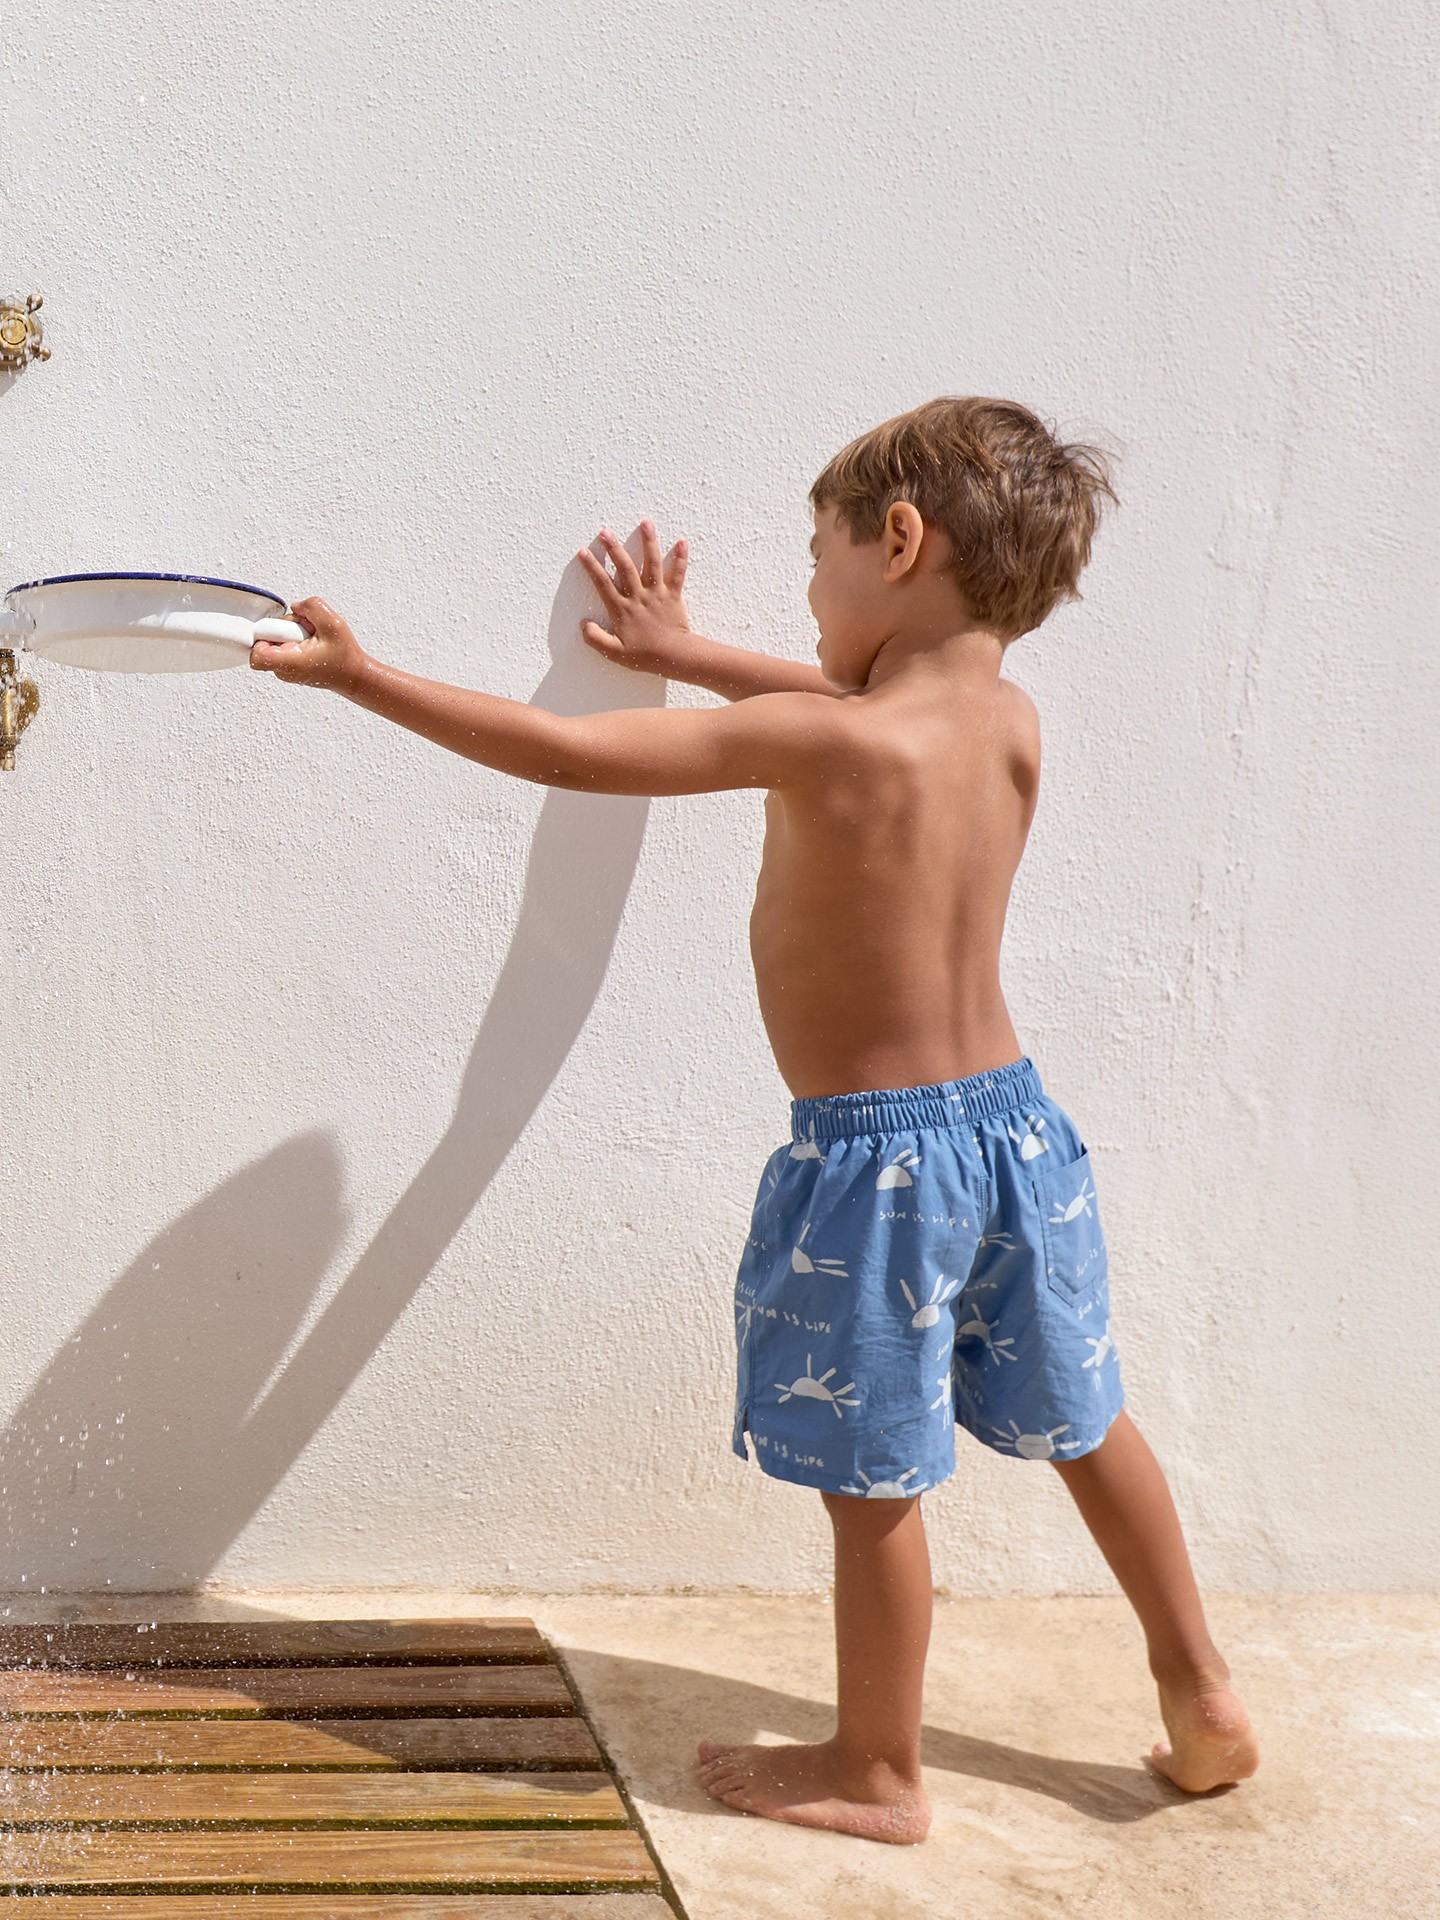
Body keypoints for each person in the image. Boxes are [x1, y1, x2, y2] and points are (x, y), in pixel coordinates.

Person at [251, 395, 1259, 1845]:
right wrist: (687, 654)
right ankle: (1203, 1691)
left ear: (898, 542)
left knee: (875, 1477)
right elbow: (845, 701)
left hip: (878, 1168)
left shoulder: (828, 747)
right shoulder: (1004, 721)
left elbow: (569, 753)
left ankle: (878, 1770)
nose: (808, 588)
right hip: (1017, 1134)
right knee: (1089, 1419)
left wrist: (364, 678)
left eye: (818, 556)